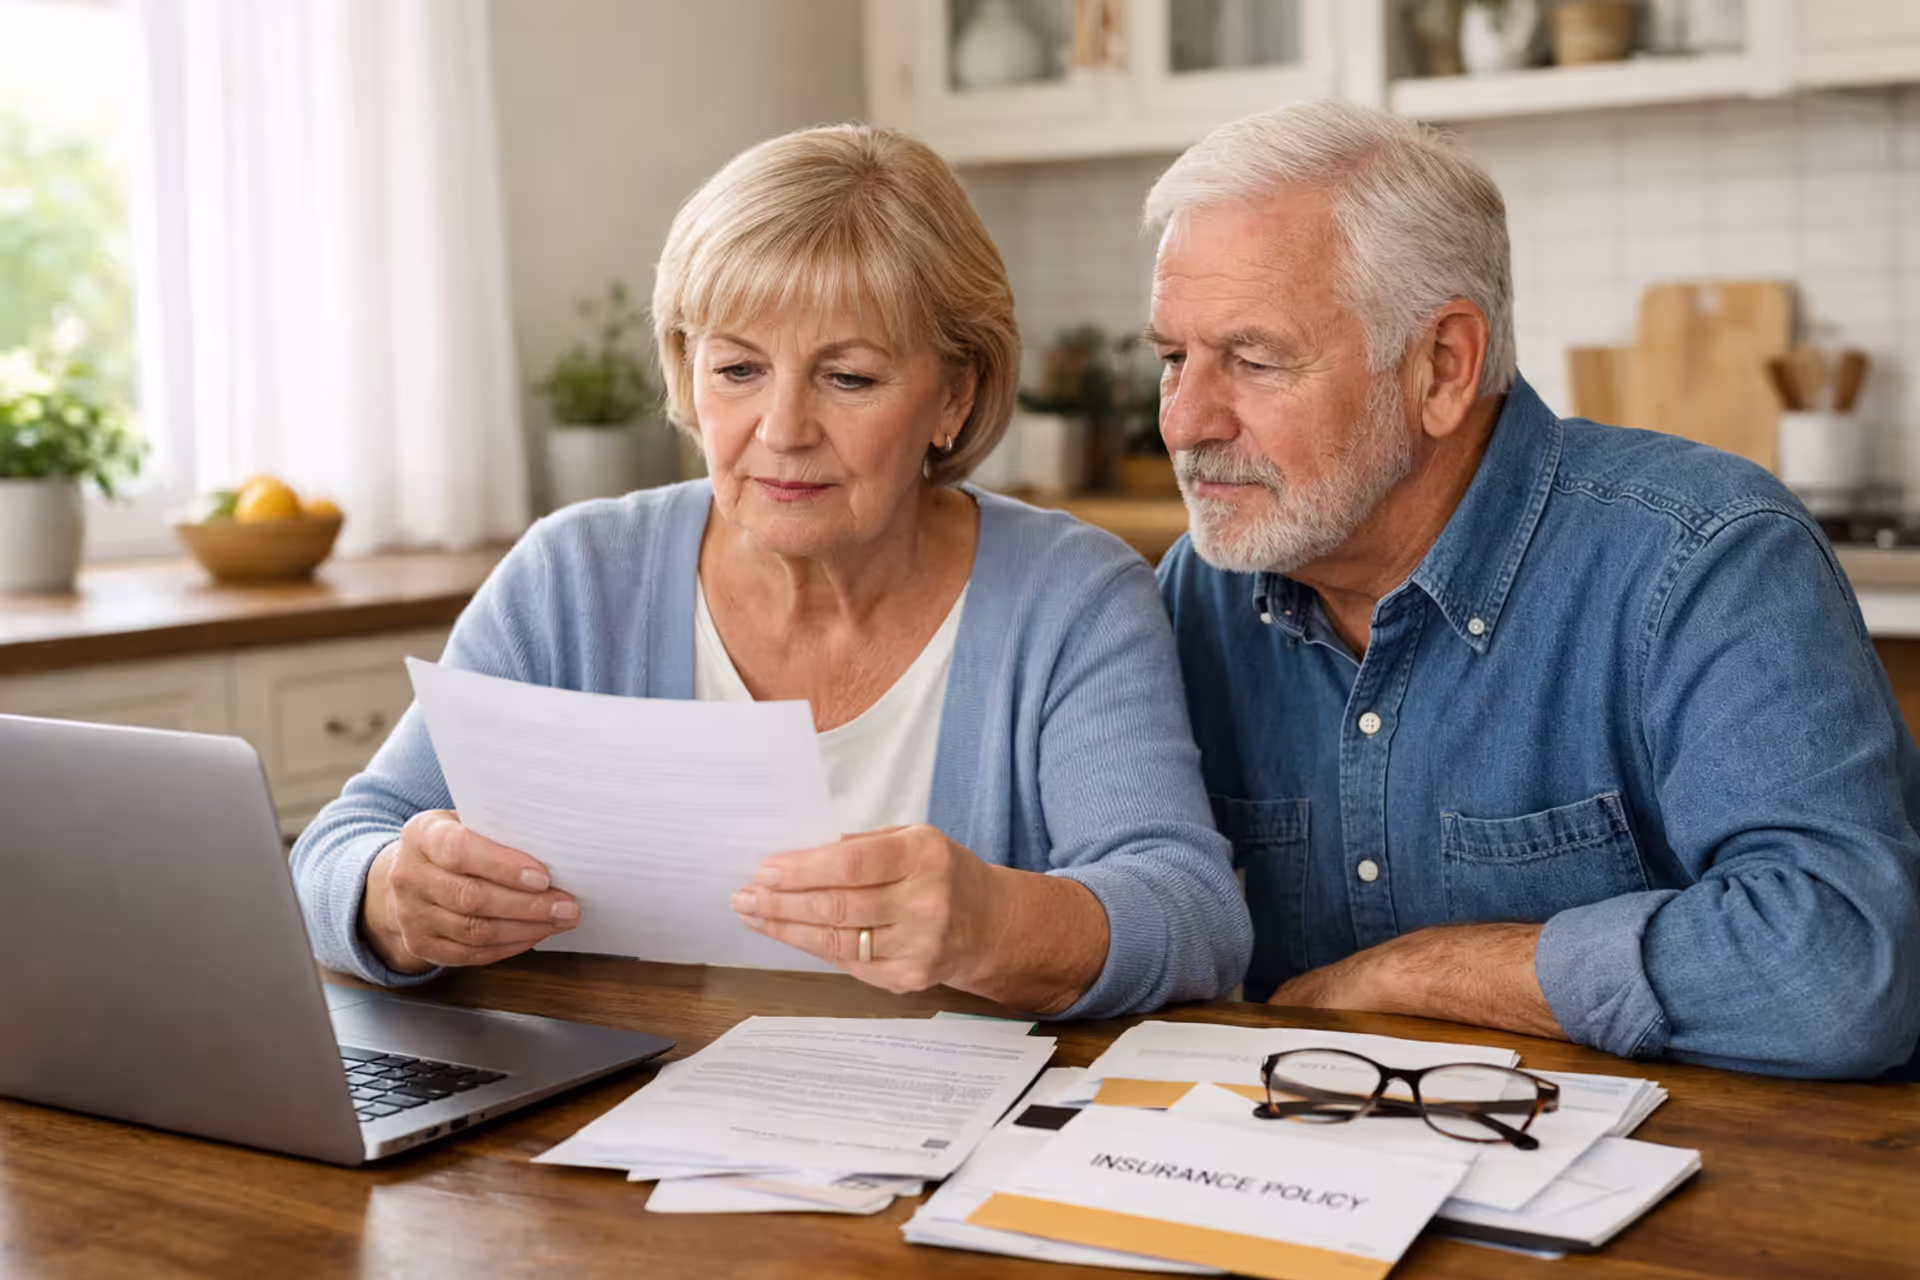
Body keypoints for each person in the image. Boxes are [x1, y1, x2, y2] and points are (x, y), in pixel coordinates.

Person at [291, 124, 1251, 1019]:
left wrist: (989, 923)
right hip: (614, 1135)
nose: (782, 433)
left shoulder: (1069, 596)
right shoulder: (573, 578)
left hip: (947, 1156)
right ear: (686, 370)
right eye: (738, 370)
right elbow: (341, 845)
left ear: (953, 395)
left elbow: (1192, 913)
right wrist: (393, 898)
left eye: (849, 378)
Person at [1149, 99, 1920, 1077]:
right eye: (1173, 358)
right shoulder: (1198, 594)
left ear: (1442, 365)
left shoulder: (1707, 558)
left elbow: (1840, 974)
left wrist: (1414, 974)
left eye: (1252, 360)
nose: (1182, 422)